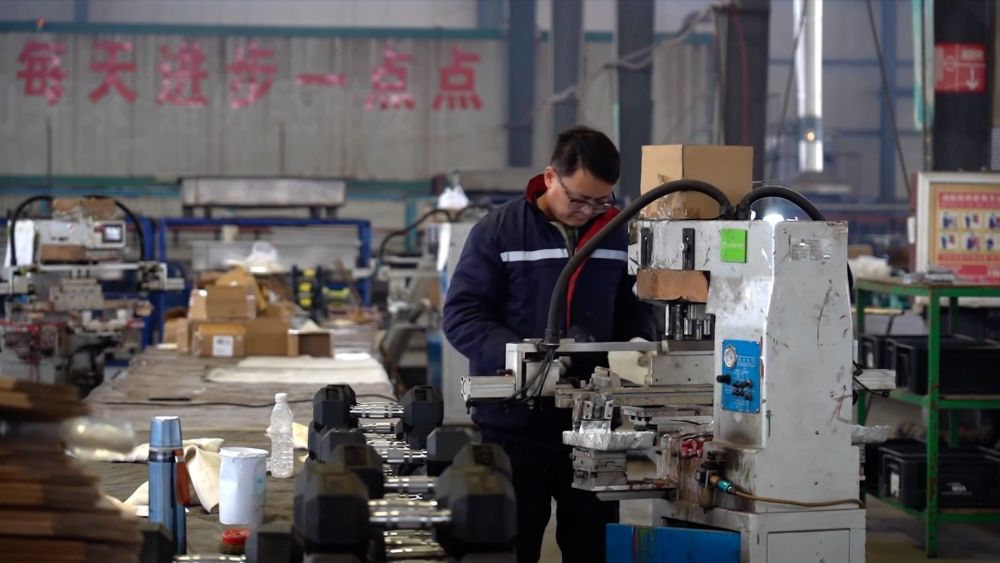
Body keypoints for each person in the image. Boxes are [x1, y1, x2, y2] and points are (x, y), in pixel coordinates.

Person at [442, 126, 657, 563]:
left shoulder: (620, 234)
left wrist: (639, 340)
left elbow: (636, 306)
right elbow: (462, 314)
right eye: (578, 199)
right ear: (549, 178)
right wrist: (521, 356)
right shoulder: (500, 231)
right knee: (512, 547)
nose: (588, 211)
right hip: (514, 428)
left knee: (593, 549)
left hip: (594, 428)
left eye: (600, 201)